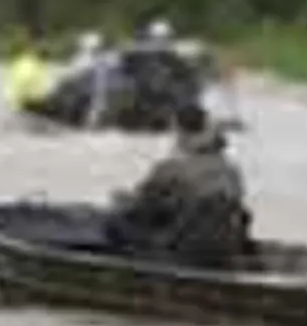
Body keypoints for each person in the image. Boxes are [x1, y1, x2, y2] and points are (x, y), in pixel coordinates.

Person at [107, 104, 251, 266]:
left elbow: (140, 207)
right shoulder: (231, 170)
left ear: (178, 130)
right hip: (224, 248)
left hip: (185, 250)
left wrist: (120, 201)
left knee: (113, 223)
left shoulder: (170, 168)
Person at [4, 37, 56, 117]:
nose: (49, 55)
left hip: (22, 102)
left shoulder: (33, 62)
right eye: (46, 52)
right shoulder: (30, 65)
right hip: (25, 103)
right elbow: (24, 84)